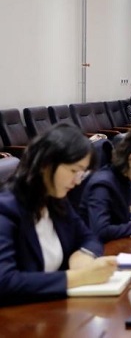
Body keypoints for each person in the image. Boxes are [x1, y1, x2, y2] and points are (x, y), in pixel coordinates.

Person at [0, 123, 117, 305]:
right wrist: (79, 277)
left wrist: (84, 254)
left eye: (81, 173)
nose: (77, 182)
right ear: (46, 164)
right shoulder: (6, 209)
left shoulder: (56, 200)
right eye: (74, 171)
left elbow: (89, 237)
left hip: (53, 306)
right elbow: (5, 282)